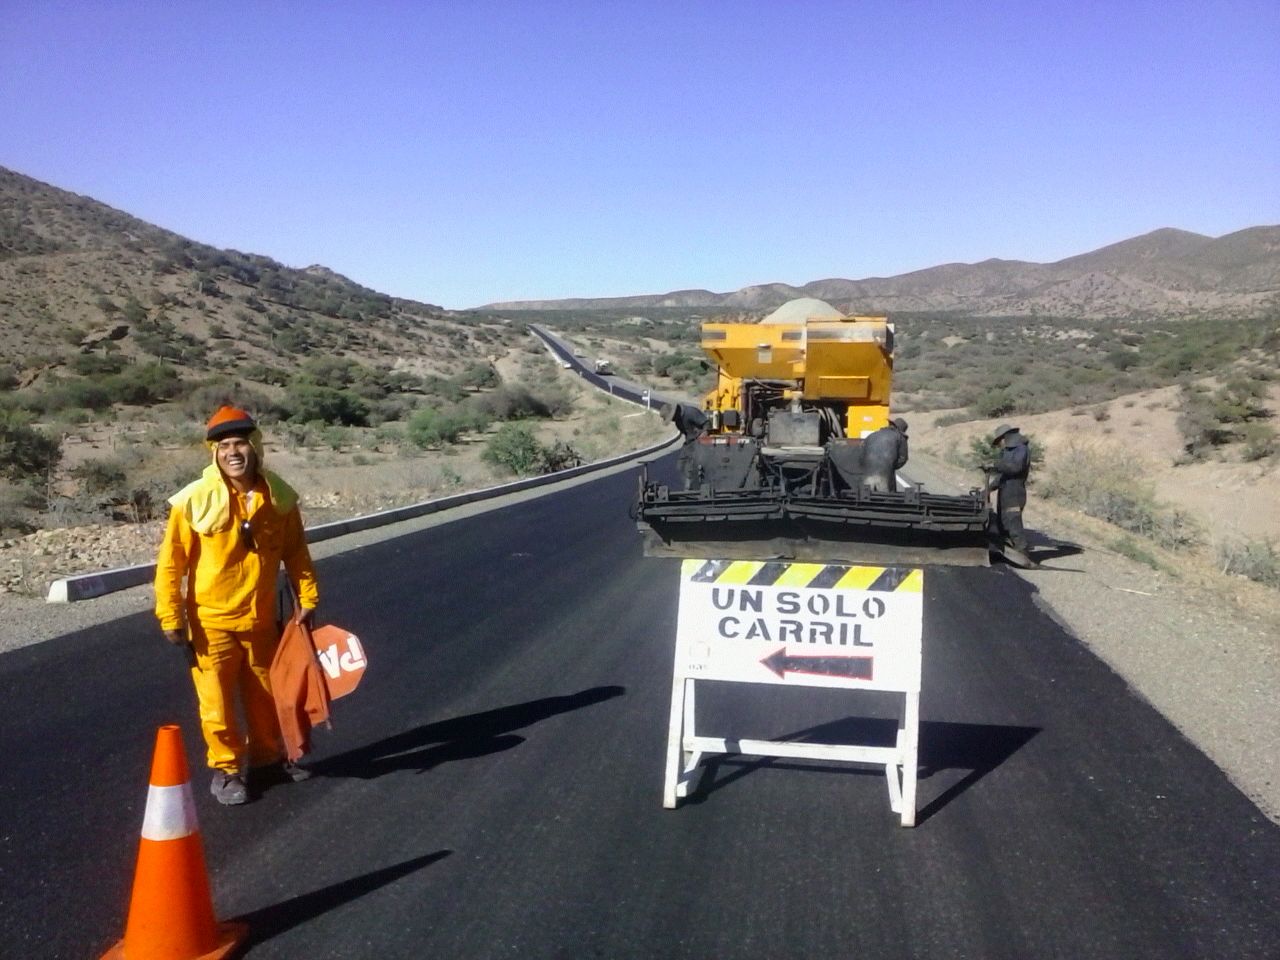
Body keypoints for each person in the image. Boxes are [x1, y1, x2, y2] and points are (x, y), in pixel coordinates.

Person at [155, 406, 319, 805]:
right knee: (217, 702)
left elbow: (296, 553)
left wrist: (307, 596)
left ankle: (267, 760)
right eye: (224, 445)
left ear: (255, 447)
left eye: (240, 444)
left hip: (261, 620)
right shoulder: (194, 501)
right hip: (210, 622)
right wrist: (170, 614)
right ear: (214, 452)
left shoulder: (279, 498)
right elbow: (171, 563)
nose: (233, 452)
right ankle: (226, 770)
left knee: (266, 694)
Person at [987, 423, 1032, 555]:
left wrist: (996, 465)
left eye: (999, 441)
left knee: (1013, 521)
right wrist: (989, 489)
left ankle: (1022, 552)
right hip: (1005, 491)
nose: (999, 444)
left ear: (1005, 437)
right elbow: (1003, 475)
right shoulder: (1007, 451)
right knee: (1003, 522)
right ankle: (1009, 551)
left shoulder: (1021, 449)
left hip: (1015, 492)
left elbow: (1016, 468)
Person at [660, 402, 710, 490]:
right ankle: (690, 484)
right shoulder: (678, 422)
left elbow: (707, 424)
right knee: (681, 465)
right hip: (690, 442)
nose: (672, 420)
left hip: (701, 441)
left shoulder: (690, 412)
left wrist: (703, 435)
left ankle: (694, 485)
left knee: (693, 465)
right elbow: (687, 434)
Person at [862, 417, 909, 491]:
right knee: (886, 496)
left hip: (867, 473)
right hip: (885, 475)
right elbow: (903, 458)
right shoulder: (900, 437)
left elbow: (861, 452)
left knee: (866, 495)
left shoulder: (873, 435)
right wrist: (891, 465)